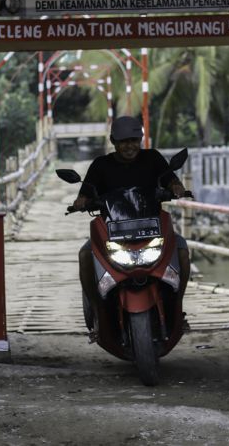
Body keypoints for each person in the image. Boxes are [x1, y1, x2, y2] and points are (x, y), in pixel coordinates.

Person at [74, 116, 191, 330]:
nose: (130, 146)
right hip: (113, 232)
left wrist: (176, 186)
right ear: (113, 141)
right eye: (124, 141)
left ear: (141, 140)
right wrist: (81, 201)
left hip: (153, 230)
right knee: (85, 257)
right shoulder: (101, 165)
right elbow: (85, 192)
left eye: (134, 140)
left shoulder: (153, 158)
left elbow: (170, 178)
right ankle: (97, 312)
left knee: (182, 251)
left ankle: (178, 309)